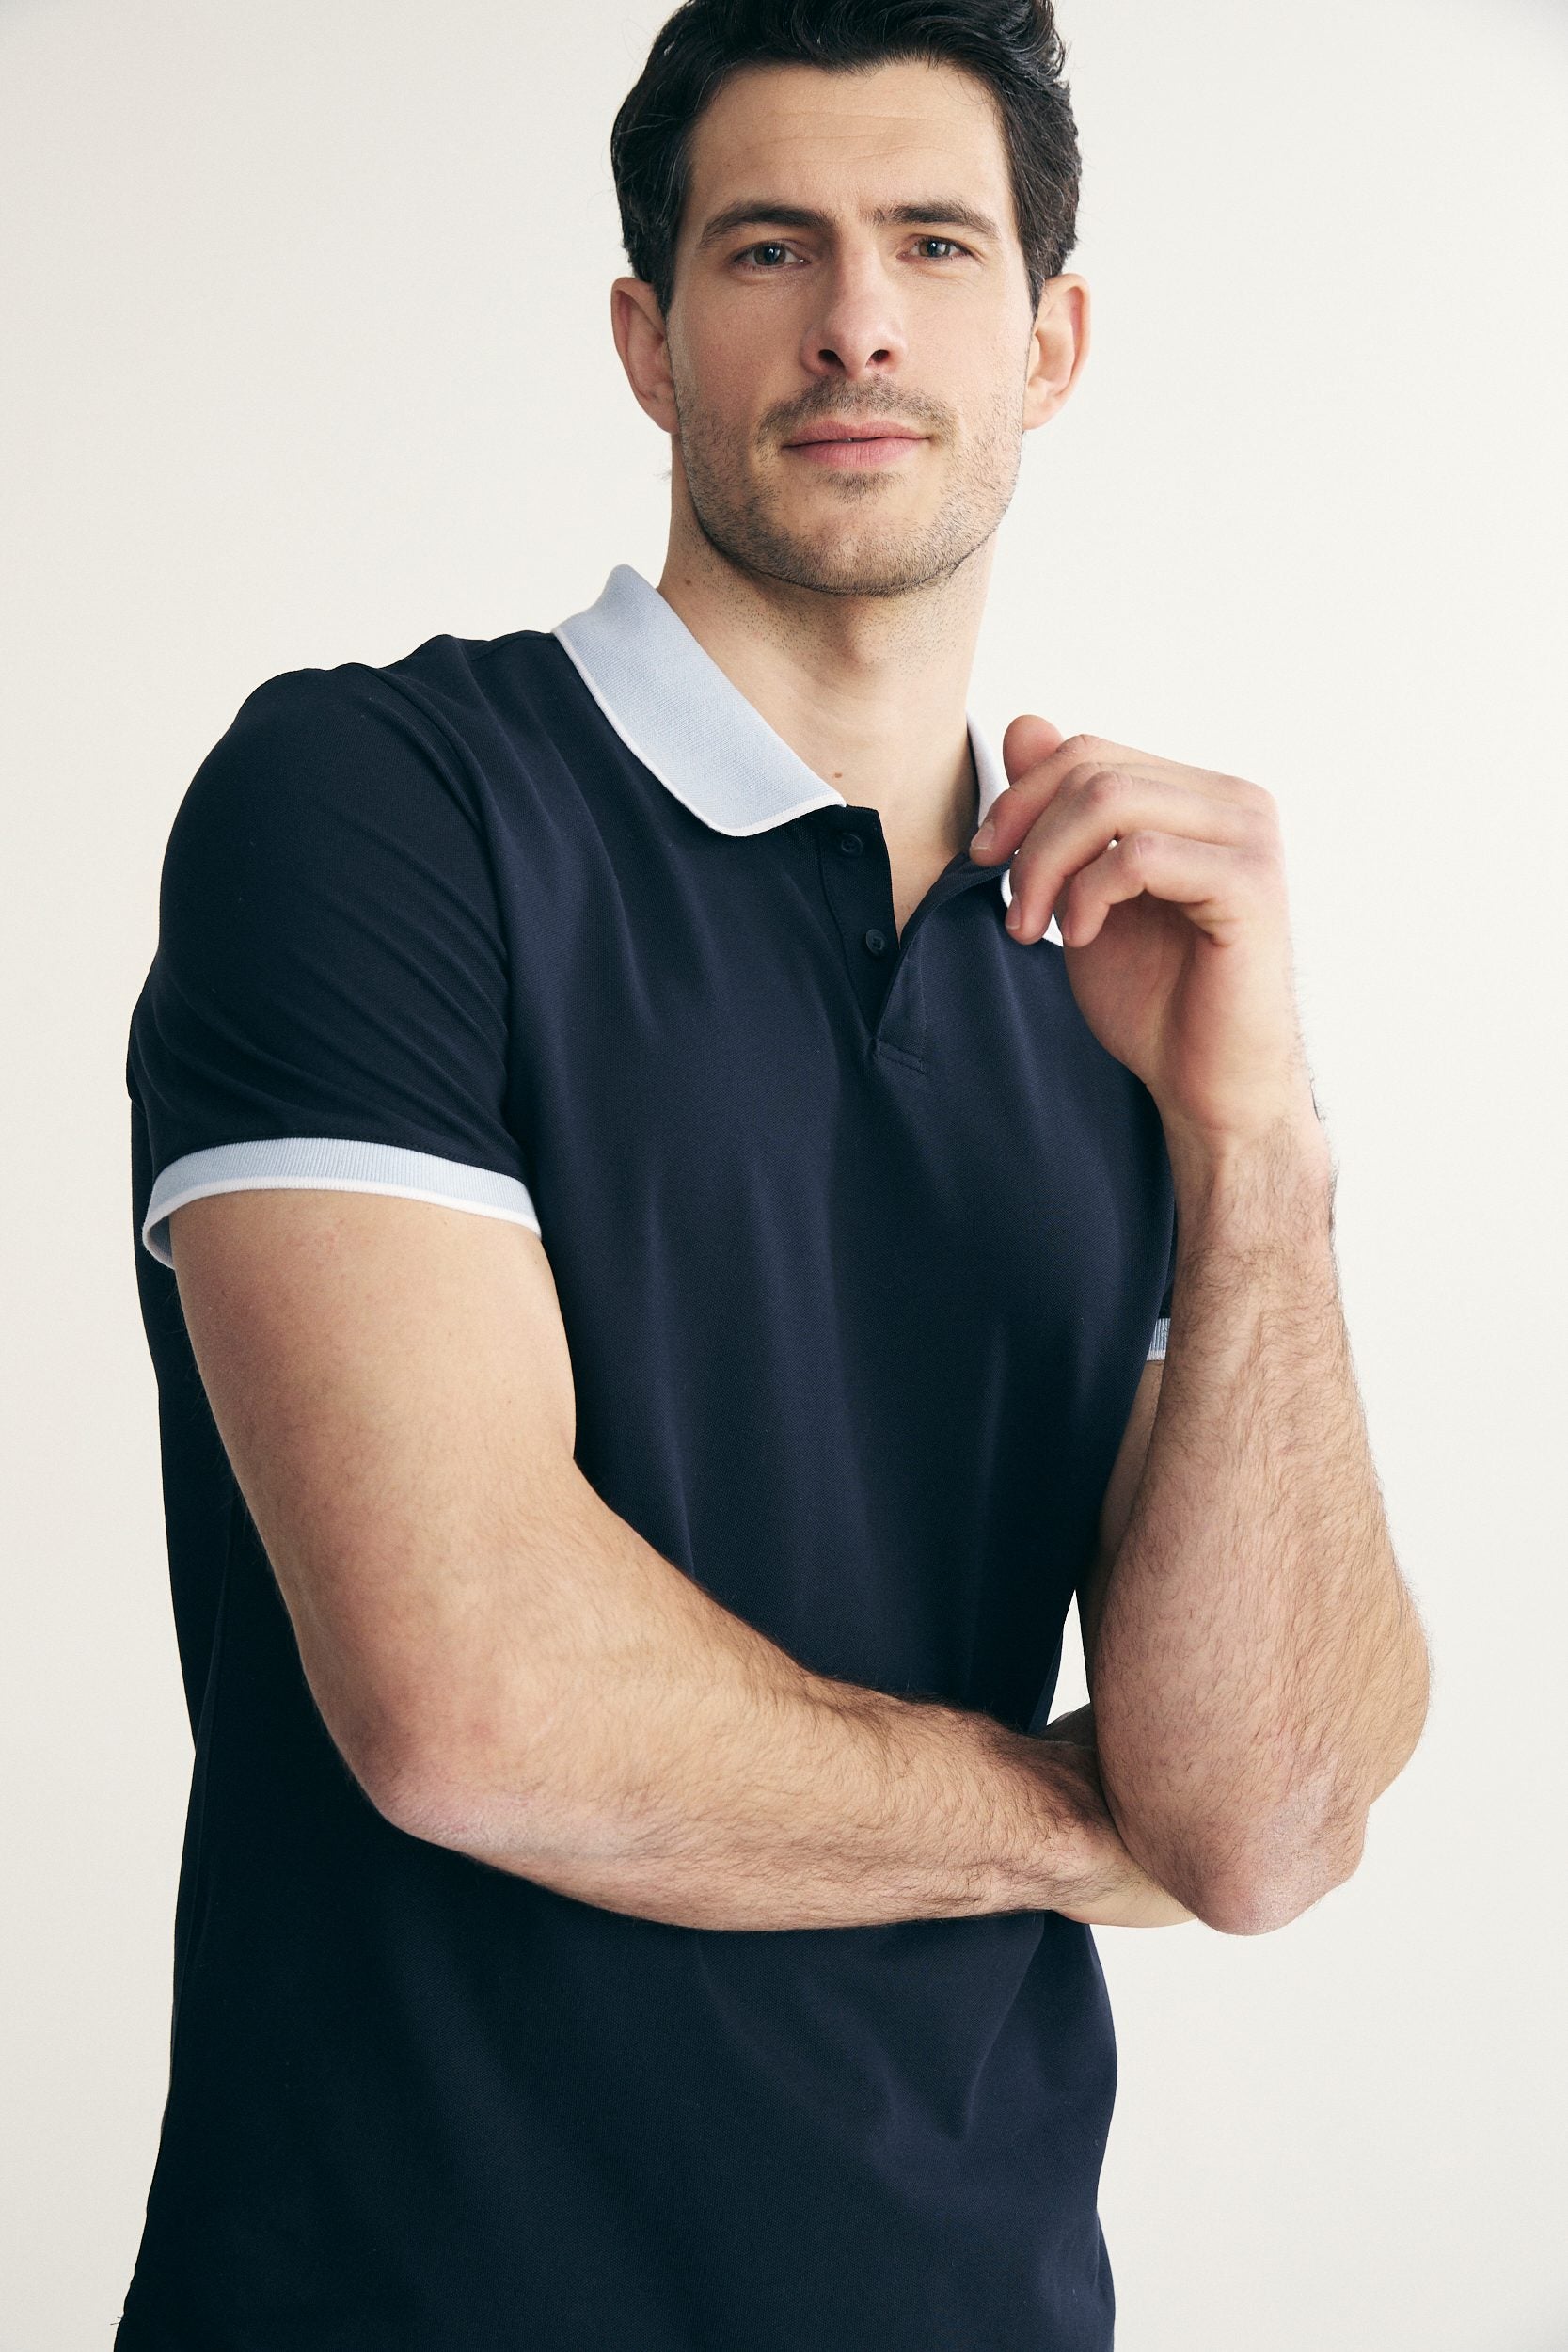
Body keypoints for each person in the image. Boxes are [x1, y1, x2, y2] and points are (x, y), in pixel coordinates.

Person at [115, 4, 1430, 2345]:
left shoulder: (1124, 974)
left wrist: (1257, 1145)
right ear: (649, 340)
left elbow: (1269, 1806)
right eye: (768, 249)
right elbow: (474, 1693)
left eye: (934, 242)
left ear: (1050, 343)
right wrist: (1082, 1819)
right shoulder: (383, 810)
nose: (857, 320)